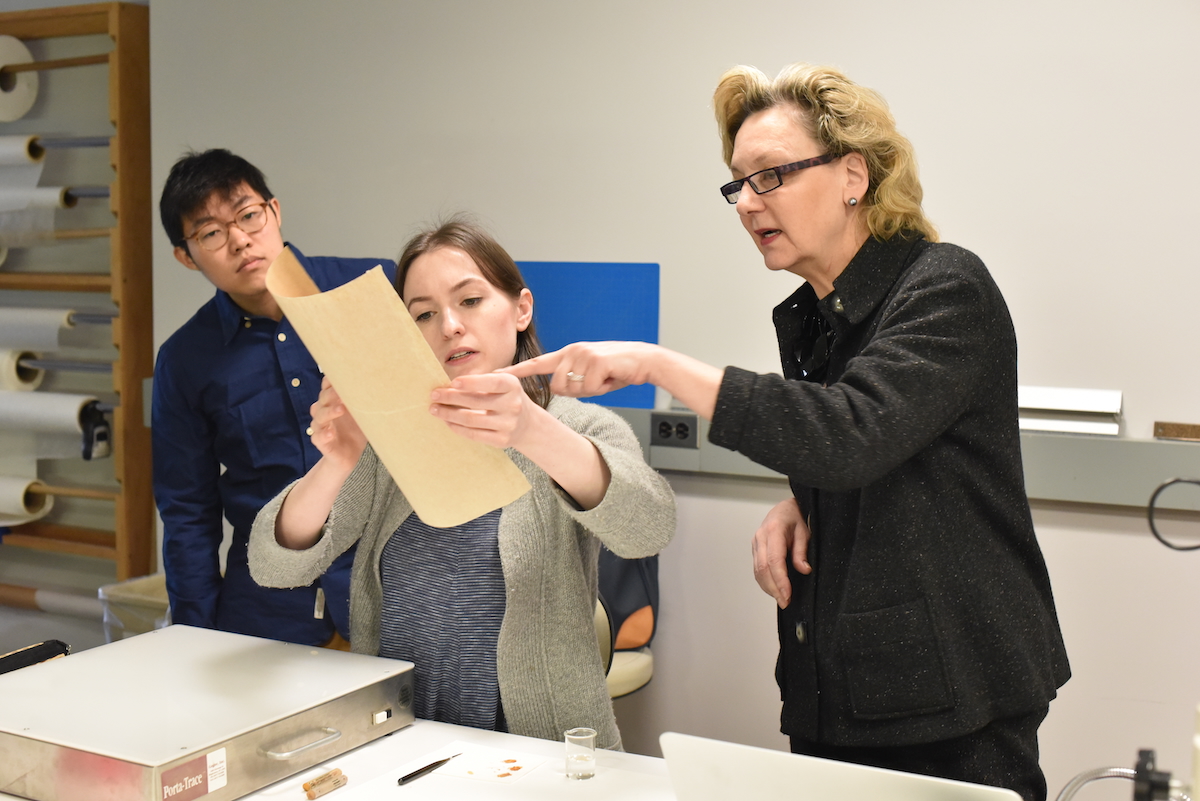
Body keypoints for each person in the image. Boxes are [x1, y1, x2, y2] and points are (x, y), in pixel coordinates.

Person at [506, 64, 1070, 800]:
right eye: (737, 184)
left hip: (951, 701)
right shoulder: (816, 316)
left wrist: (655, 363)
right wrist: (805, 502)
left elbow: (851, 435)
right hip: (836, 688)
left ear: (853, 176)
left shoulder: (945, 286)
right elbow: (878, 453)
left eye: (770, 176)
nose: (747, 202)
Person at [247, 218, 675, 749]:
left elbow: (649, 528)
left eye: (470, 301)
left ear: (521, 309)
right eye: (423, 314)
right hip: (401, 742)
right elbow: (274, 565)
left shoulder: (580, 427)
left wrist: (533, 431)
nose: (449, 326)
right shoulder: (390, 441)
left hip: (541, 753)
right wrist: (336, 463)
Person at [153, 149, 396, 647]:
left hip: (394, 587)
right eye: (211, 233)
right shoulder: (185, 359)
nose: (240, 240)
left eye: (248, 215)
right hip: (271, 609)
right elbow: (188, 510)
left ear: (275, 211)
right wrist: (193, 637)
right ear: (186, 256)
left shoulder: (373, 287)